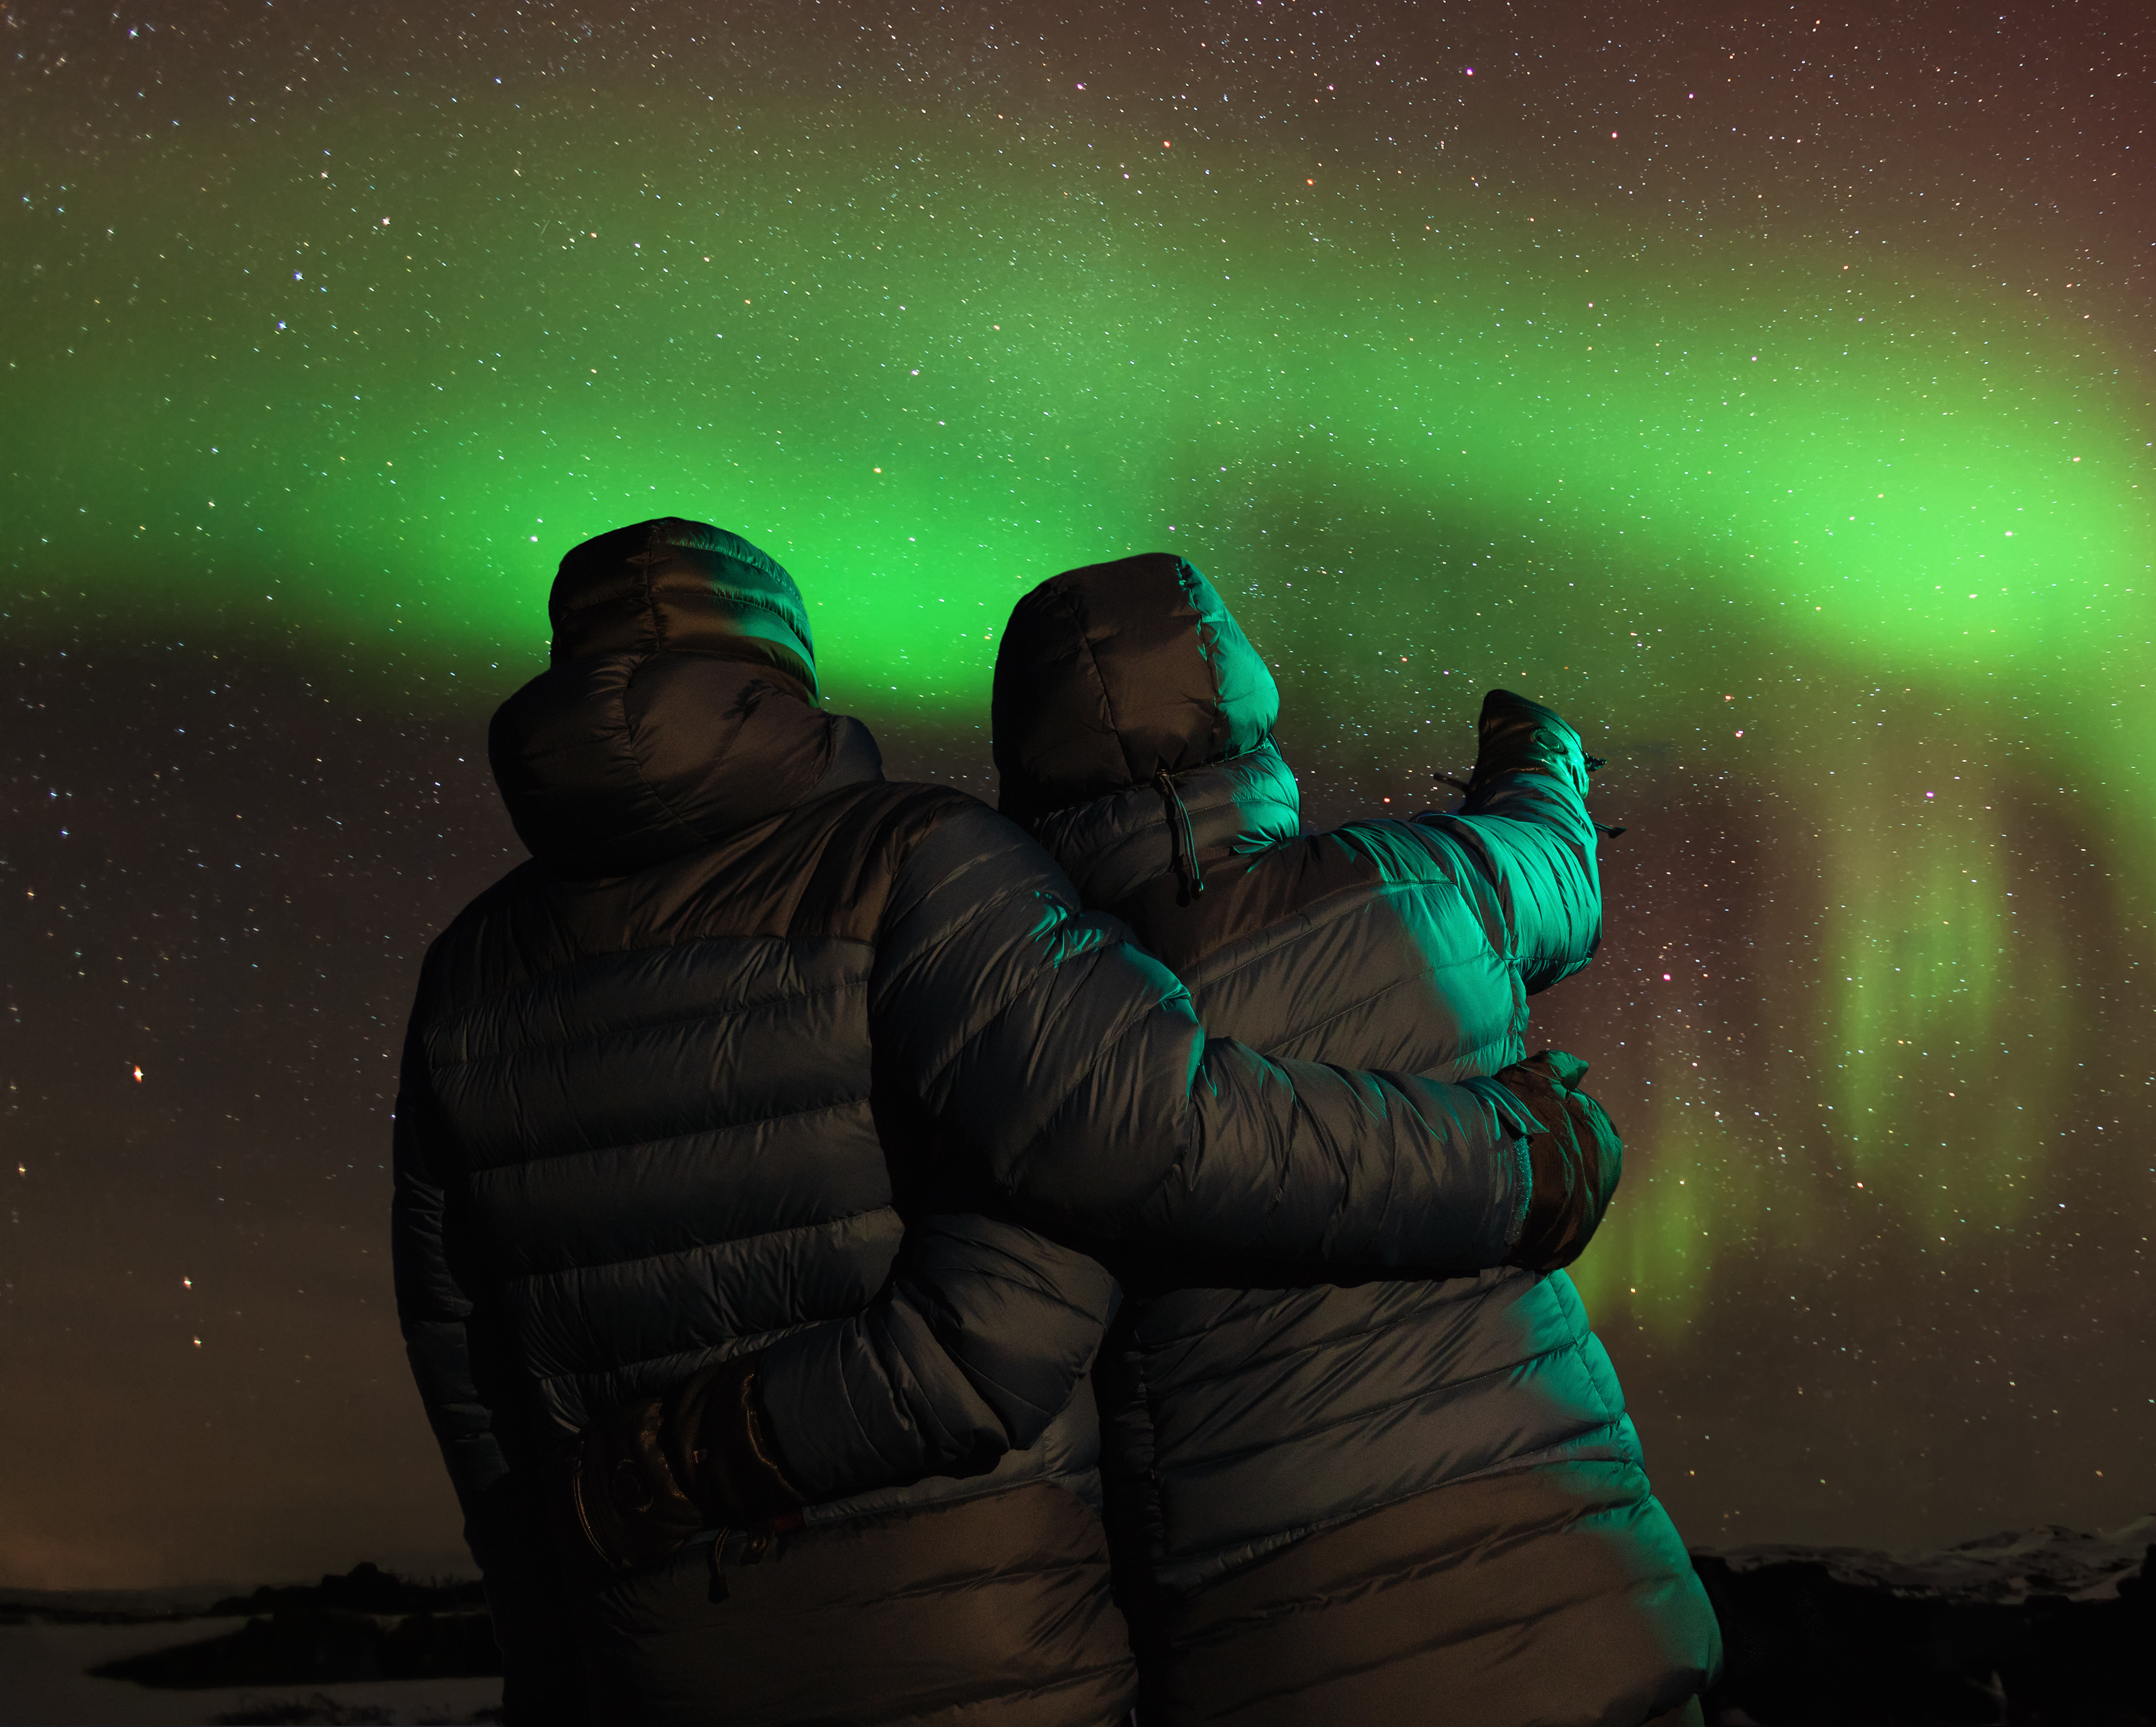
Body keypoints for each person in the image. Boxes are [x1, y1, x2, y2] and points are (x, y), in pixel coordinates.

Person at [390, 519, 1623, 1727]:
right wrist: (1515, 1157)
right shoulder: (915, 859)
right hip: (976, 1644)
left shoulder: (466, 973)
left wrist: (556, 1645)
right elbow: (1134, 1155)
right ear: (776, 667)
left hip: (650, 1657)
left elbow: (466, 1360)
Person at [990, 553, 1721, 1727]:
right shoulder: (1427, 883)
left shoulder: (1040, 1026)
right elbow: (1559, 866)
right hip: (1581, 1568)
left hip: (1284, 1639)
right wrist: (1537, 755)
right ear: (1240, 698)